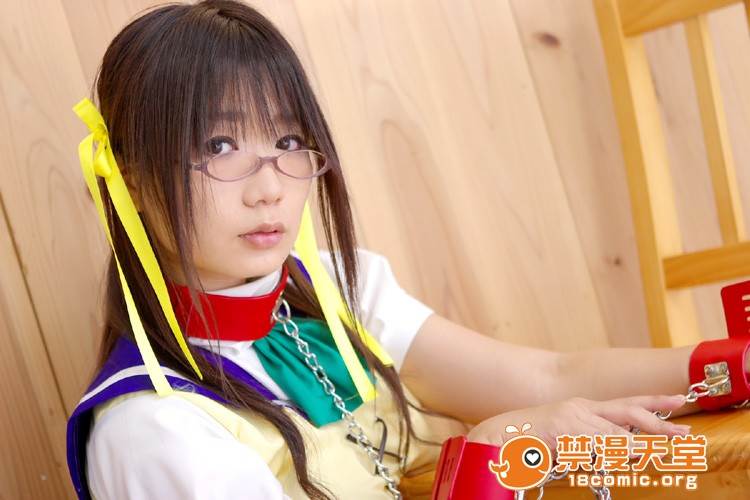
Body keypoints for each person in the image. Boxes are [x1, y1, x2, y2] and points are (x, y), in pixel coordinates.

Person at [65, 1, 749, 499]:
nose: (269, 186)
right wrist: (489, 456)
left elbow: (547, 378)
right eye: (220, 145)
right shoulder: (154, 429)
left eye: (287, 141)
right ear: (132, 182)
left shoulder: (338, 290)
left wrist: (730, 368)